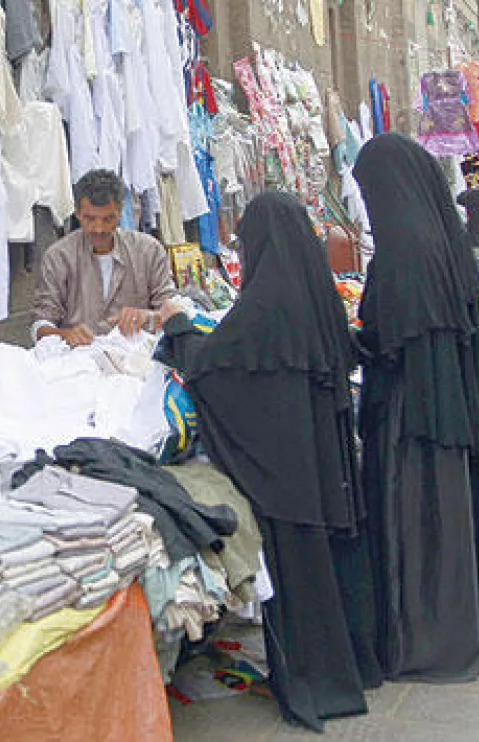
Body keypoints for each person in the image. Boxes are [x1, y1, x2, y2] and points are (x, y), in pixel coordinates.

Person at [155, 193, 381, 731]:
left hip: (288, 478)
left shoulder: (261, 305)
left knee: (300, 578)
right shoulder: (318, 294)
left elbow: (214, 367)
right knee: (333, 568)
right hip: (326, 465)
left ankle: (317, 681)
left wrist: (177, 329)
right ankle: (354, 667)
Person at [352, 133, 479, 682]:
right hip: (452, 409)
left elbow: (391, 338)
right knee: (457, 510)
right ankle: (474, 627)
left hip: (415, 417)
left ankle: (428, 640)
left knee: (420, 517)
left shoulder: (402, 252)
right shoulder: (443, 239)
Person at [32, 169, 177, 346]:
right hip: (77, 360)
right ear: (77, 213)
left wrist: (148, 317)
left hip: (137, 357)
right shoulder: (58, 257)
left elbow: (174, 311)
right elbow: (41, 325)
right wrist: (65, 334)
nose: (99, 228)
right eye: (90, 219)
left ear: (120, 212)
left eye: (108, 219)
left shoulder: (148, 251)